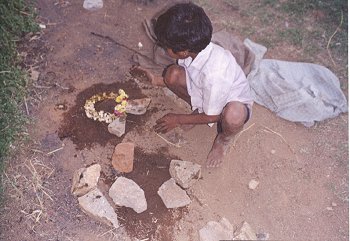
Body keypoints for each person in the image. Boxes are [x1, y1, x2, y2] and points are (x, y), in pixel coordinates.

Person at [140, 2, 253, 168]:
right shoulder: (193, 50)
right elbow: (189, 76)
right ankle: (199, 110)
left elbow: (214, 116)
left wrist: (178, 119)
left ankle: (223, 139)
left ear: (183, 51)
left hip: (229, 104)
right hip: (204, 90)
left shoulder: (216, 74)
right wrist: (157, 80)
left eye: (166, 47)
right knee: (172, 74)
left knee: (233, 116)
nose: (164, 49)